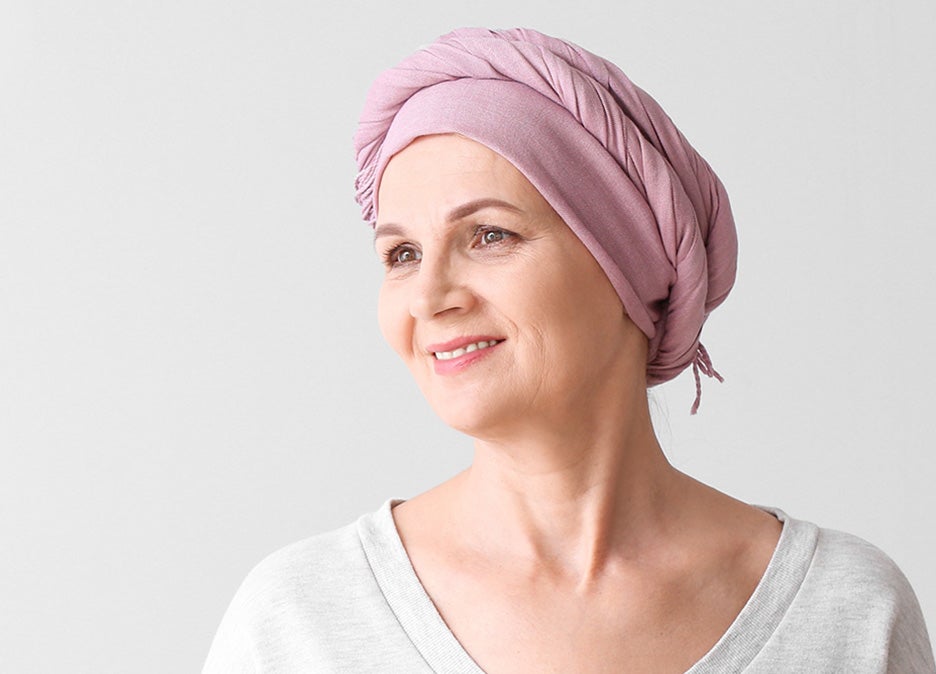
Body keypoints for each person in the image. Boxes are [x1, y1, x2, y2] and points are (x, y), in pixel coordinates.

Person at [202, 28, 936, 673]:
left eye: (489, 235)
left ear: (632, 261)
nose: (429, 297)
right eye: (400, 254)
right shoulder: (299, 620)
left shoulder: (846, 612)